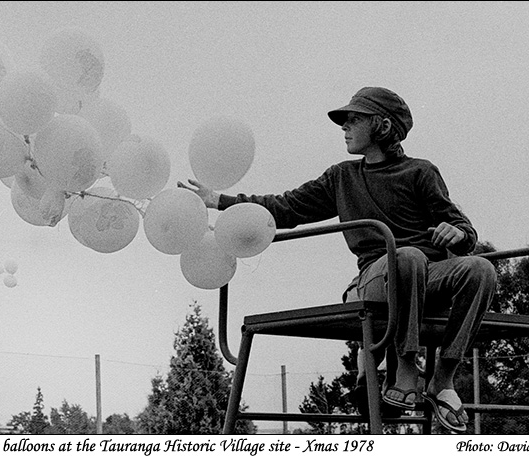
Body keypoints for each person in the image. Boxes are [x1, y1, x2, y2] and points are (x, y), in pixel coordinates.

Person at [178, 86, 496, 433]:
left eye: (354, 119)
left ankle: (443, 379)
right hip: (380, 275)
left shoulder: (421, 173)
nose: (344, 127)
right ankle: (405, 368)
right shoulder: (342, 177)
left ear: (384, 127)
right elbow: (287, 207)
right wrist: (221, 201)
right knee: (407, 257)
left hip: (427, 276)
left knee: (480, 268)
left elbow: (462, 228)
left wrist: (459, 234)